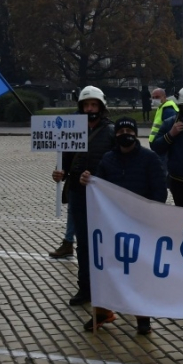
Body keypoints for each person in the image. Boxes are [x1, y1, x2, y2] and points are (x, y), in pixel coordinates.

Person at [79, 117, 167, 335]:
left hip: (140, 225)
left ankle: (142, 316)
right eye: (120, 131)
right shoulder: (108, 159)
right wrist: (88, 181)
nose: (124, 134)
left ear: (136, 134)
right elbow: (100, 187)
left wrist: (149, 215)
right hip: (114, 226)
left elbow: (160, 191)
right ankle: (103, 311)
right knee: (109, 269)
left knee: (139, 273)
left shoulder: (150, 158)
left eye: (129, 129)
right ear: (115, 135)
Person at [52, 86, 115, 306]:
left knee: (104, 242)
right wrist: (60, 173)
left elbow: (116, 165)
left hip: (103, 196)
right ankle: (85, 287)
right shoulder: (72, 130)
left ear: (101, 107)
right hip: (78, 193)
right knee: (84, 244)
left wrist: (97, 177)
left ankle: (107, 287)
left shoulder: (111, 132)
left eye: (94, 105)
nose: (90, 109)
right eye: (86, 105)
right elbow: (67, 162)